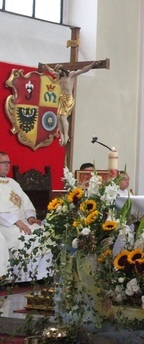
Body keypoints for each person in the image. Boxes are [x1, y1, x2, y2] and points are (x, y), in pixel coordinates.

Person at [0, 152, 50, 281]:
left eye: (8, 163)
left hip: (22, 221)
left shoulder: (12, 182)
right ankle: (23, 276)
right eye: (3, 163)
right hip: (6, 224)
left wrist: (30, 217)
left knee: (41, 231)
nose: (7, 166)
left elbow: (25, 201)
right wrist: (17, 222)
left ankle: (42, 274)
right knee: (22, 235)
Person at [41, 60, 100, 146]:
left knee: (63, 117)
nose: (57, 74)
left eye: (58, 72)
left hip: (68, 98)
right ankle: (61, 135)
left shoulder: (71, 75)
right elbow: (51, 71)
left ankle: (66, 135)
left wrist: (92, 65)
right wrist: (46, 67)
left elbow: (83, 70)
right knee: (58, 117)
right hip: (62, 98)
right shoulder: (59, 76)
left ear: (62, 70)